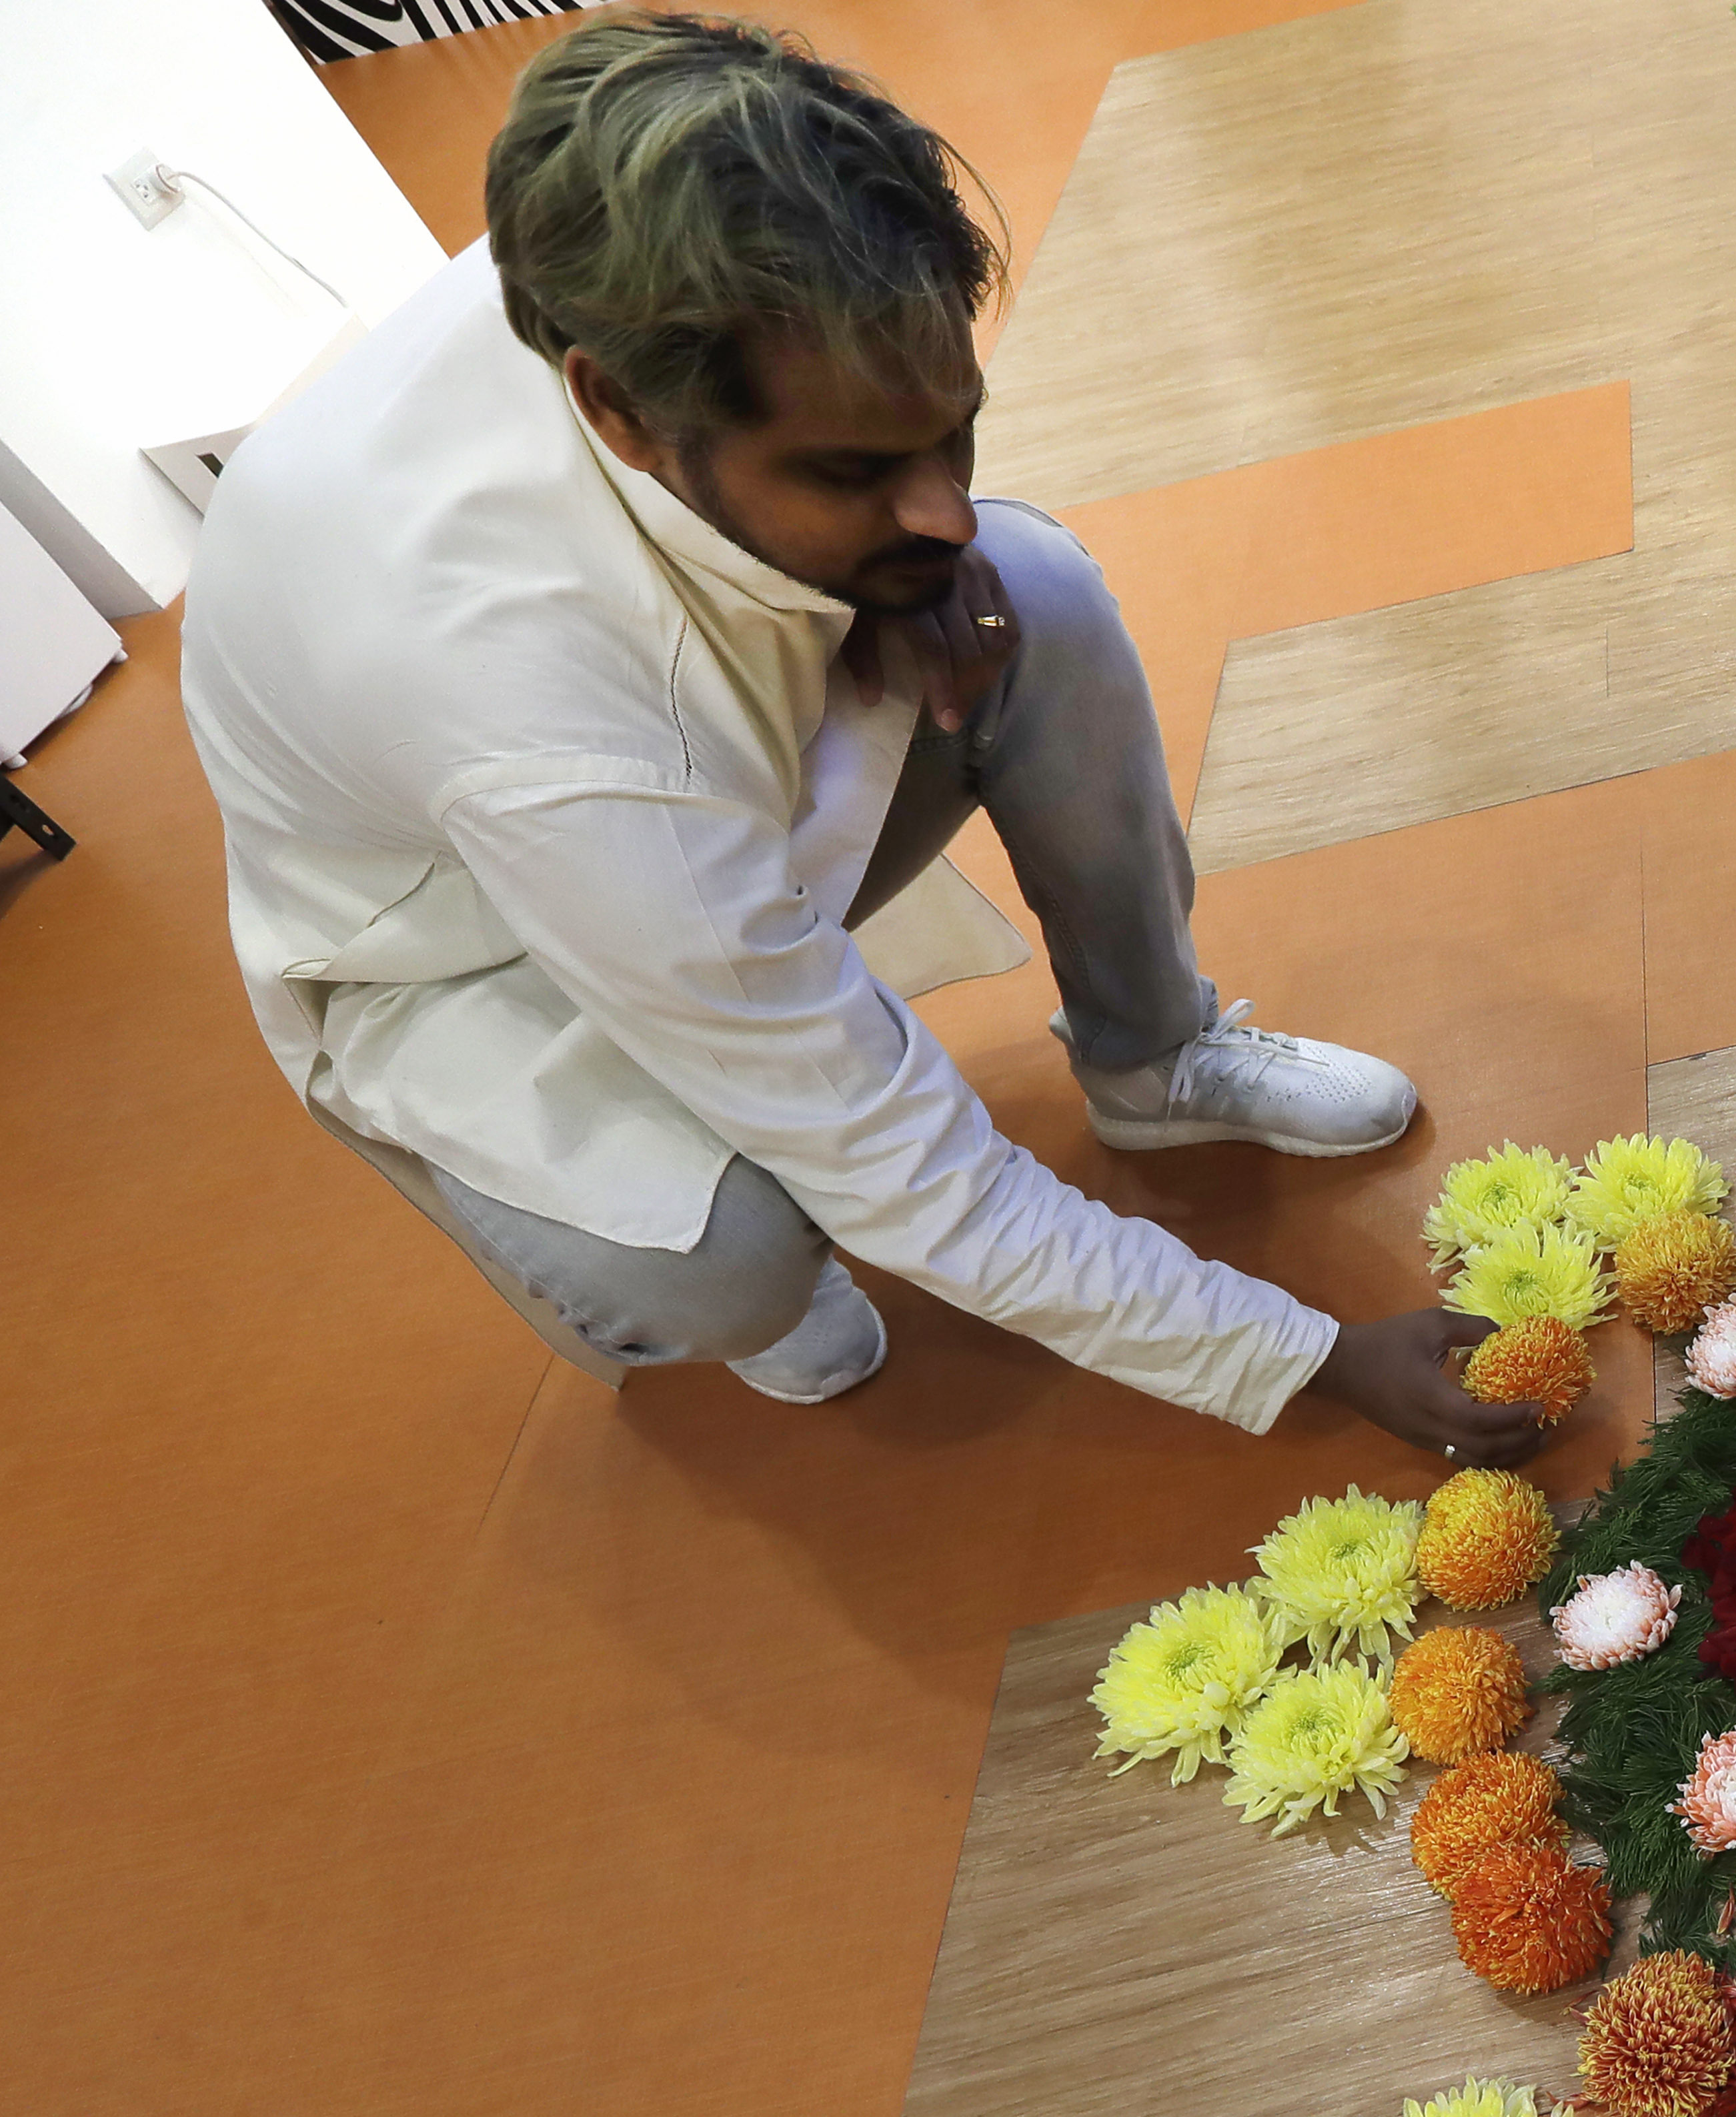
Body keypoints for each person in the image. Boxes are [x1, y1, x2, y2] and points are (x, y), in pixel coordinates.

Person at [183, 12, 1544, 1465]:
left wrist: (878, 566)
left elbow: (896, 506)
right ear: (622, 410)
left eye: (948, 431)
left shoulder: (667, 247)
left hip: (653, 808)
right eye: (853, 470)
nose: (941, 505)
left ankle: (1156, 1056)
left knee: (1031, 594)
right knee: (733, 1254)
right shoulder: (542, 720)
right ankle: (693, 1287)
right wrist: (1313, 1353)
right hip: (458, 961)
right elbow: (914, 1174)